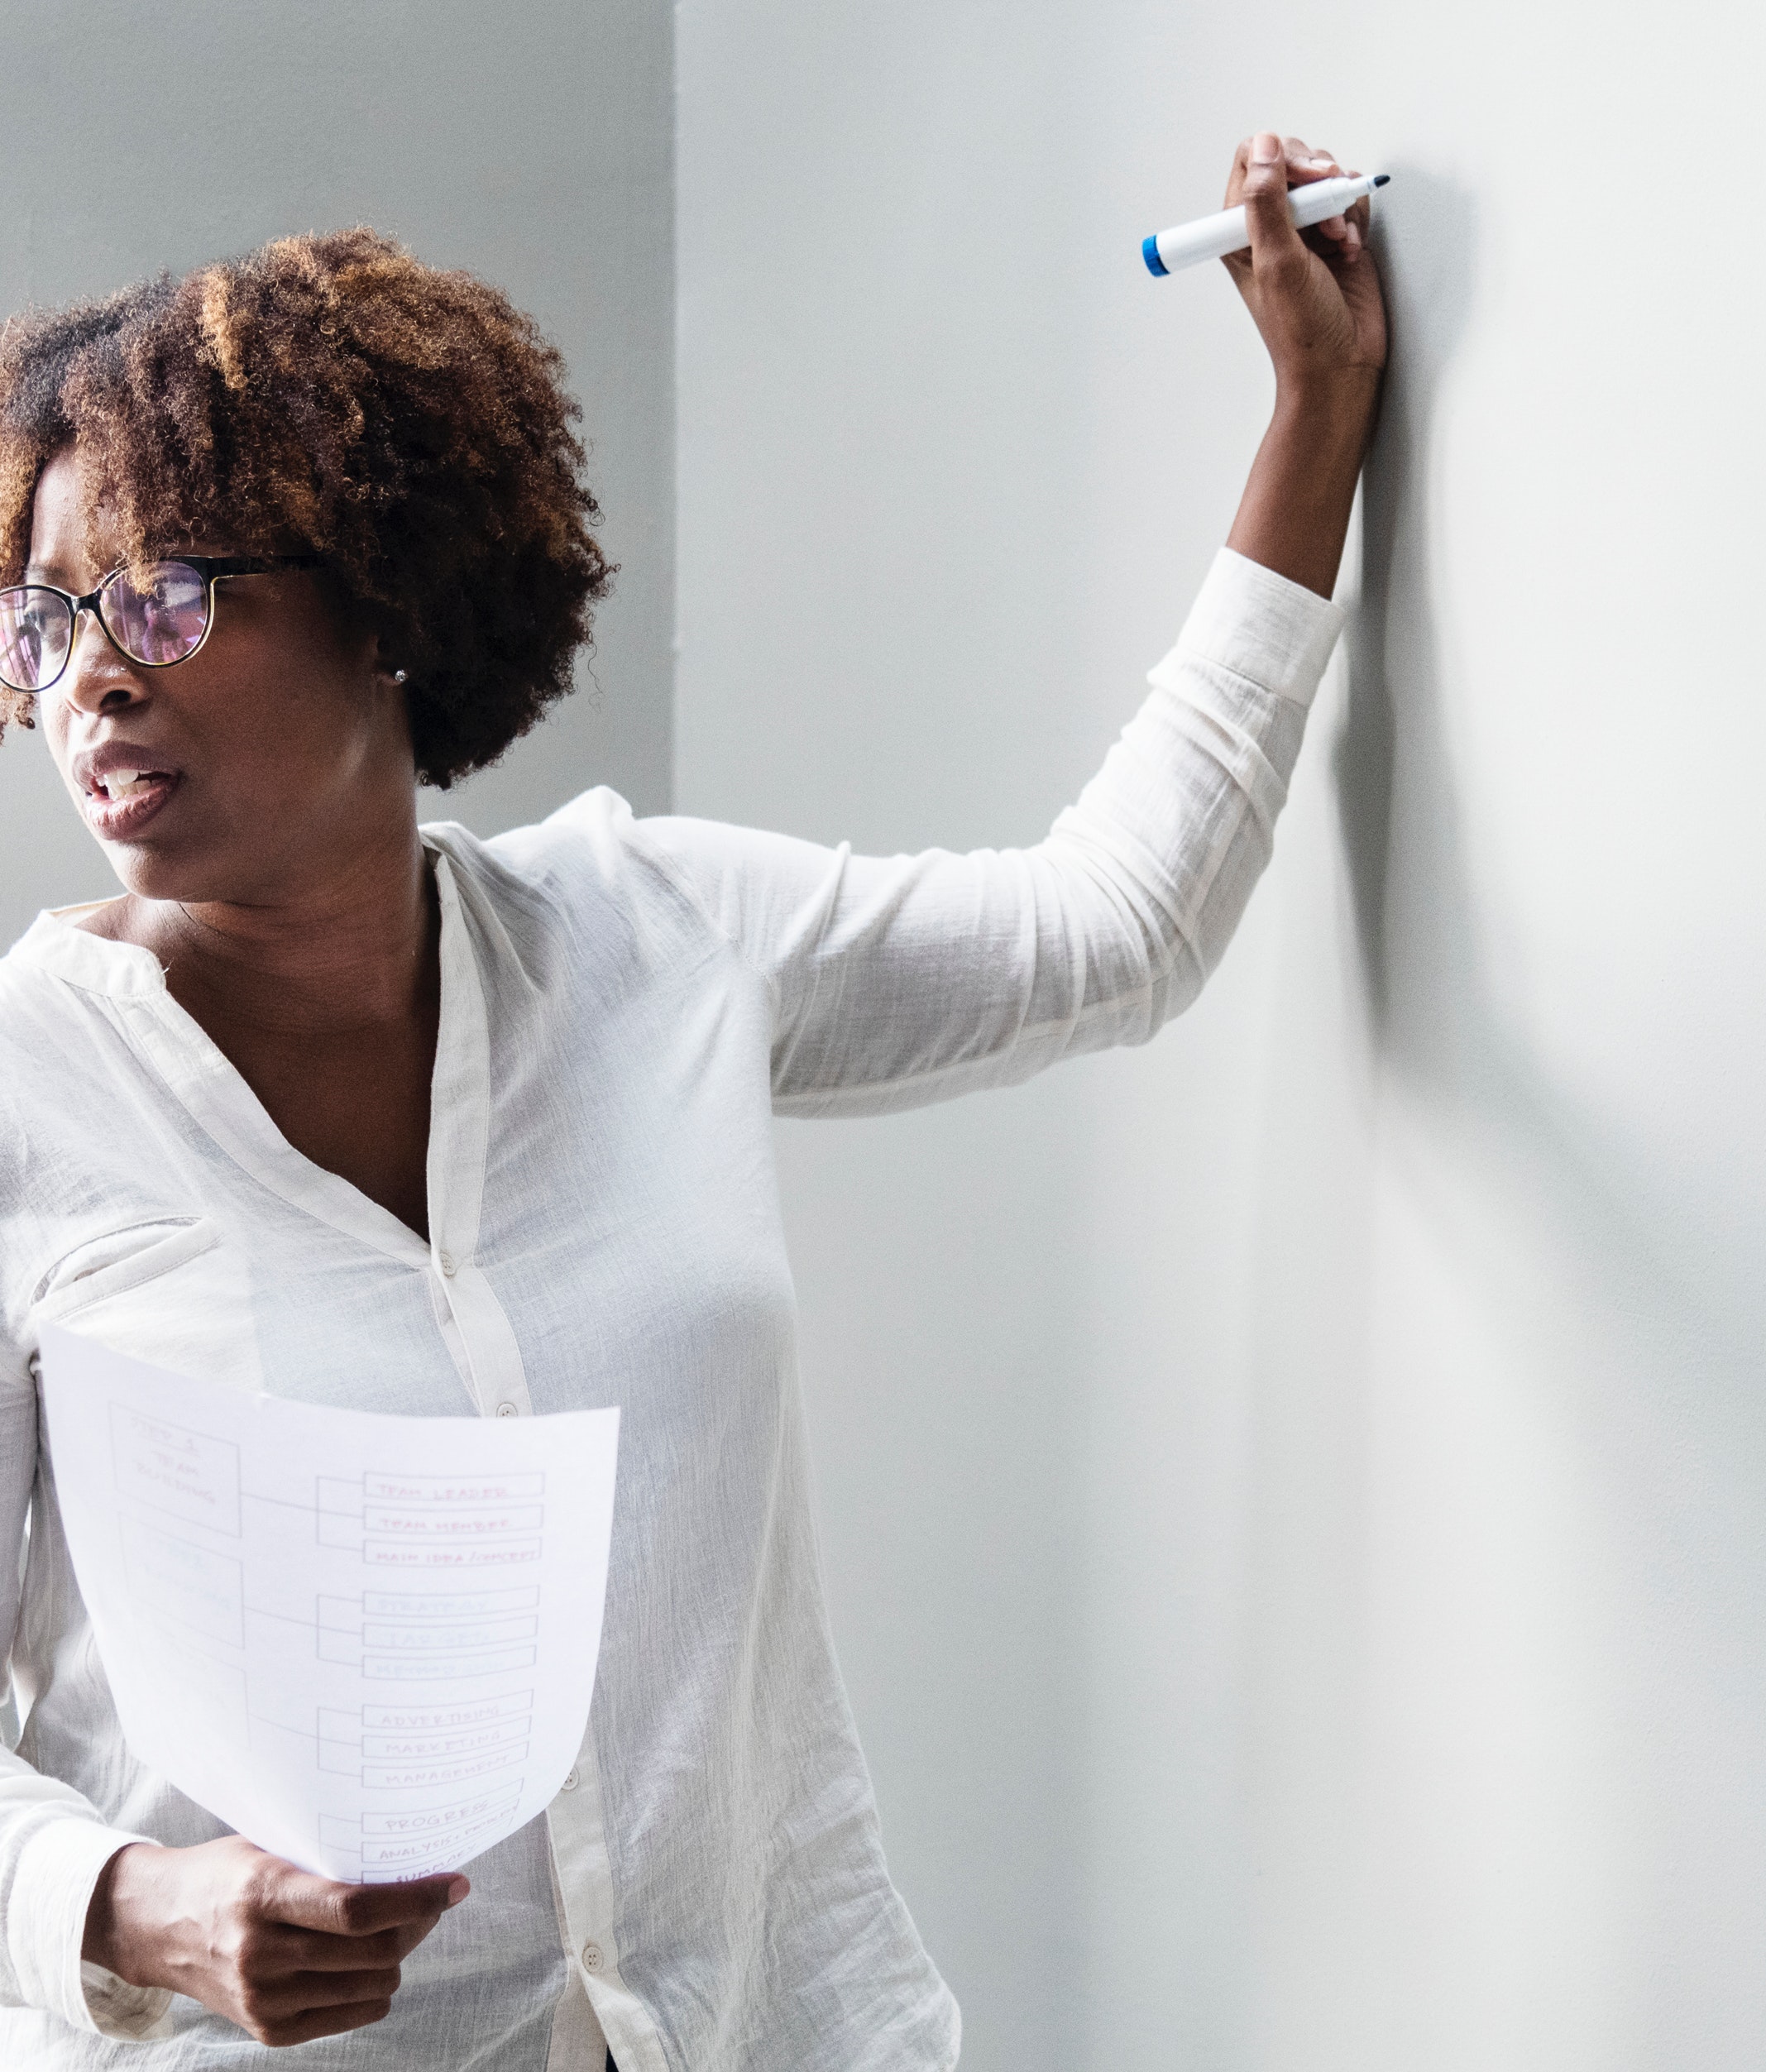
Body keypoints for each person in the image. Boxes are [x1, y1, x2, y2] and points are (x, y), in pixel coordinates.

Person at [0, 131, 1384, 2068]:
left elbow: (1113, 929)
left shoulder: (647, 930)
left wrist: (1317, 414)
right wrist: (125, 1902)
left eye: (159, 595)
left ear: (387, 592)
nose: (87, 681)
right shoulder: (26, 1098)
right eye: (45, 619)